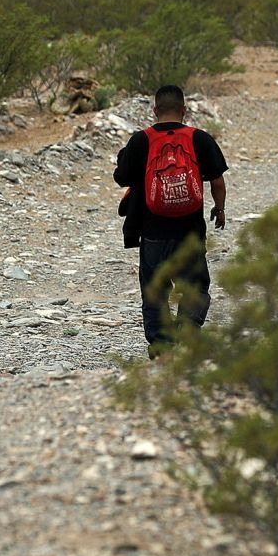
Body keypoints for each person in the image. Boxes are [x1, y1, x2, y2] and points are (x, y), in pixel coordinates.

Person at [113, 85, 228, 356]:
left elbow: (122, 178)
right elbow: (218, 181)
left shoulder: (141, 140)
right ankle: (188, 333)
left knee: (155, 289)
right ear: (184, 110)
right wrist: (219, 209)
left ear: (155, 111)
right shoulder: (200, 139)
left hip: (153, 231)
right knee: (196, 285)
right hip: (190, 231)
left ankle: (161, 346)